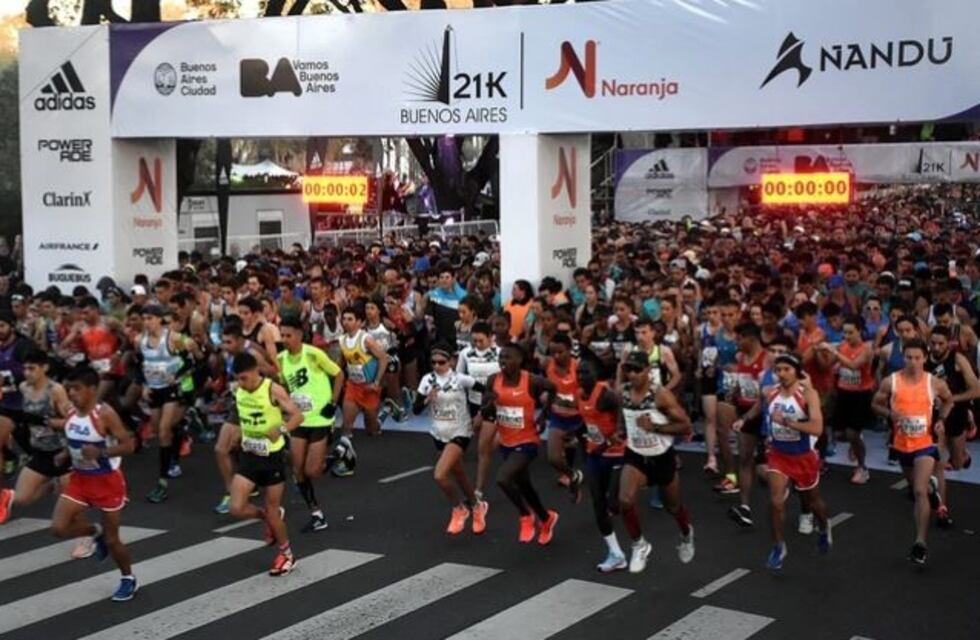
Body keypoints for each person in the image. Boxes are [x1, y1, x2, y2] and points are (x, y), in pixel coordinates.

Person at [51, 366, 137, 601]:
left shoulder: (104, 414)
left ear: (92, 389)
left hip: (107, 482)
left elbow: (128, 445)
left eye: (77, 388)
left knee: (113, 540)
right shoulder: (69, 413)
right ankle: (94, 531)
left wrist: (101, 452)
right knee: (58, 528)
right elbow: (75, 443)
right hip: (80, 479)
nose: (71, 393)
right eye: (69, 388)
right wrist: (65, 455)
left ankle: (128, 577)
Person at [872, 338, 954, 566]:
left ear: (925, 358)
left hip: (926, 443)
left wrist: (941, 421)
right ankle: (932, 489)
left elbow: (948, 401)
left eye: (918, 358)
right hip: (902, 445)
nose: (913, 362)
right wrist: (890, 413)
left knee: (918, 492)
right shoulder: (892, 382)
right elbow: (875, 403)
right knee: (917, 488)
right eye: (909, 357)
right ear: (903, 358)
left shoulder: (934, 383)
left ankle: (920, 543)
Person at [617, 350, 695, 574]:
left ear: (648, 371)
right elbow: (620, 417)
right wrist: (619, 432)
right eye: (628, 370)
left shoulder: (660, 396)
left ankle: (686, 533)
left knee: (673, 506)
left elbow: (685, 425)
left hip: (661, 457)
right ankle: (639, 545)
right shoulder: (622, 393)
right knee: (625, 500)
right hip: (636, 455)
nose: (632, 375)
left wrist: (656, 427)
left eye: (637, 370)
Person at [227, 352, 304, 576]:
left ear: (255, 372)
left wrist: (280, 429)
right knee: (236, 507)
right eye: (238, 379)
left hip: (272, 458)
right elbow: (245, 417)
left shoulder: (272, 390)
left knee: (272, 508)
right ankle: (270, 518)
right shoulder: (239, 391)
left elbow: (298, 416)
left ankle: (287, 555)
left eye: (244, 378)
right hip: (249, 455)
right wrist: (239, 434)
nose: (241, 383)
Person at [482, 343, 560, 545]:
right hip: (507, 441)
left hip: (528, 441)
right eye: (501, 357)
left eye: (508, 358)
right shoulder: (493, 380)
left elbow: (553, 388)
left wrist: (545, 414)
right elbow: (486, 412)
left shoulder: (531, 380)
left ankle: (526, 516)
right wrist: (489, 404)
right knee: (524, 486)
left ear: (519, 361)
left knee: (503, 478)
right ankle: (546, 518)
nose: (502, 361)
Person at [759, 354, 831, 569]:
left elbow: (817, 428)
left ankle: (824, 527)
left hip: (803, 456)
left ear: (797, 371)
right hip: (778, 454)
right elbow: (761, 410)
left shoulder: (808, 395)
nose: (781, 374)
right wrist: (745, 420)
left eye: (786, 369)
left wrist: (789, 422)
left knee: (813, 501)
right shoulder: (769, 393)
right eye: (778, 370)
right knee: (776, 501)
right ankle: (779, 546)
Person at [277, 317, 344, 532]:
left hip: (320, 418)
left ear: (299, 334)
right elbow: (283, 389)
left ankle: (340, 454)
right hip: (299, 419)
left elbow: (339, 374)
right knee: (298, 471)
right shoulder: (280, 360)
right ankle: (317, 515)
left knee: (312, 470)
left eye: (288, 335)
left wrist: (333, 403)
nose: (285, 339)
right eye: (282, 336)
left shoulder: (313, 354)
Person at [0, 350, 73, 530]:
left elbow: (71, 421)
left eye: (32, 368)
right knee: (21, 499)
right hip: (40, 451)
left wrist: (47, 421)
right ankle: (50, 484)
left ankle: (87, 537)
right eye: (25, 369)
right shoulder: (24, 387)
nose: (27, 373)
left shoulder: (55, 390)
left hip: (61, 452)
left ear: (44, 368)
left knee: (70, 503)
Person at [212, 322, 277, 514]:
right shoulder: (228, 354)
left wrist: (266, 398)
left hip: (256, 408)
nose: (225, 346)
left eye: (229, 342)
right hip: (238, 406)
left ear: (240, 340)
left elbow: (274, 374)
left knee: (230, 448)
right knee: (226, 448)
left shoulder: (254, 355)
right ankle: (234, 491)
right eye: (223, 342)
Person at [415, 343, 480, 534]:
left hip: (460, 431)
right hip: (439, 433)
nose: (437, 366)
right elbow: (416, 410)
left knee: (440, 475)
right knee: (458, 472)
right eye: (433, 362)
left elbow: (484, 390)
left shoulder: (460, 379)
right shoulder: (427, 380)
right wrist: (427, 399)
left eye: (441, 362)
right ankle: (477, 505)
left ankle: (459, 508)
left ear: (450, 361)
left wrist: (480, 413)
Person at [139, 304, 200, 504]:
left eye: (150, 318)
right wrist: (144, 385)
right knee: (159, 430)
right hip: (154, 389)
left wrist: (179, 376)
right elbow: (143, 364)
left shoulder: (172, 338)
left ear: (159, 319)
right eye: (144, 319)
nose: (146, 322)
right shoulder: (141, 340)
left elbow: (193, 359)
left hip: (173, 389)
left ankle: (162, 482)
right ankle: (183, 427)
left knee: (164, 430)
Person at [924, 325, 980, 527]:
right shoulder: (923, 359)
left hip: (956, 414)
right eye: (933, 343)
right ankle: (941, 508)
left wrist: (951, 399)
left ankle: (963, 455)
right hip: (935, 418)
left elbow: (977, 390)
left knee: (955, 463)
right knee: (938, 464)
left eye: (941, 343)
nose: (936, 347)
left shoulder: (958, 360)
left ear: (949, 343)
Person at [576, 357, 627, 572]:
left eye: (585, 373)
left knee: (614, 504)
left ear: (595, 375)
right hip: (595, 454)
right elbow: (586, 423)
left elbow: (622, 407)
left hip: (616, 454)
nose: (581, 377)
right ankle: (615, 553)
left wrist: (618, 431)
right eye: (578, 373)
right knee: (598, 503)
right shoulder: (579, 395)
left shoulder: (605, 395)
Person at [455, 321, 499, 533]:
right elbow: (458, 377)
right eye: (475, 341)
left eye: (481, 341)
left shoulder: (500, 354)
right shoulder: (466, 354)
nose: (478, 345)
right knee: (487, 446)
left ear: (491, 338)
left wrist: (484, 410)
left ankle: (478, 492)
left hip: (494, 404)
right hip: (474, 403)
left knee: (483, 448)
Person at [823, 315, 875, 484]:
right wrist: (820, 350)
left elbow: (854, 365)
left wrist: (835, 352)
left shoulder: (866, 349)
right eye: (845, 332)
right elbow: (827, 365)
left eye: (850, 332)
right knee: (838, 434)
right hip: (843, 392)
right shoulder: (842, 346)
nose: (847, 336)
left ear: (859, 331)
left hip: (860, 395)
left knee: (852, 433)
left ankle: (862, 467)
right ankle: (856, 441)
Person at [724, 322, 767, 527]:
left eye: (740, 338)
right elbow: (743, 383)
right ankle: (744, 506)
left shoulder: (768, 359)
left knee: (768, 466)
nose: (736, 342)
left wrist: (750, 413)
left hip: (764, 414)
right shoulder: (741, 358)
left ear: (751, 338)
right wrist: (735, 393)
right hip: (744, 411)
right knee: (744, 458)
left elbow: (767, 393)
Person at [339, 305, 390, 447]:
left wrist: (377, 382)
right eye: (344, 319)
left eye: (350, 319)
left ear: (359, 322)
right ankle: (344, 453)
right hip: (353, 386)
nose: (346, 322)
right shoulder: (342, 340)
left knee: (372, 430)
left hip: (369, 387)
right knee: (346, 427)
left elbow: (383, 358)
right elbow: (343, 363)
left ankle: (382, 415)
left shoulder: (366, 339)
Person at [545, 332, 585, 501]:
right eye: (553, 352)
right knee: (553, 458)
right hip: (559, 417)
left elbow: (587, 392)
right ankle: (573, 474)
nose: (556, 356)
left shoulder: (579, 367)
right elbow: (550, 390)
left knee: (591, 456)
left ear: (569, 350)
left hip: (580, 418)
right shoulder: (549, 366)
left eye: (560, 352)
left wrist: (576, 401)